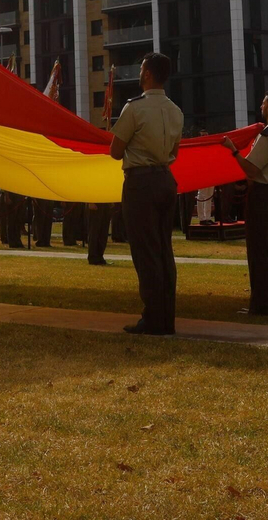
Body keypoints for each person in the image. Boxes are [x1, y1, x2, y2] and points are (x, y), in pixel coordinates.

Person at [110, 52, 183, 335]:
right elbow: (174, 152)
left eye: (142, 69)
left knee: (146, 253)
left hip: (140, 183)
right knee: (164, 251)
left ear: (148, 74)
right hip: (166, 179)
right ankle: (167, 318)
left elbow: (115, 151)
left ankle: (152, 319)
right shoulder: (176, 110)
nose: (139, 73)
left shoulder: (134, 108)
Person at [221, 90, 268, 316]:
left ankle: (260, 303)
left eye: (263, 104)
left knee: (258, 250)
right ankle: (267, 297)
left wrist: (234, 151)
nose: (261, 107)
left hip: (262, 193)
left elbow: (252, 169)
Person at [84, 201, 113, 265]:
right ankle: (93, 257)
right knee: (94, 231)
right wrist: (90, 202)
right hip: (95, 202)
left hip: (106, 203)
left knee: (103, 232)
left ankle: (100, 257)